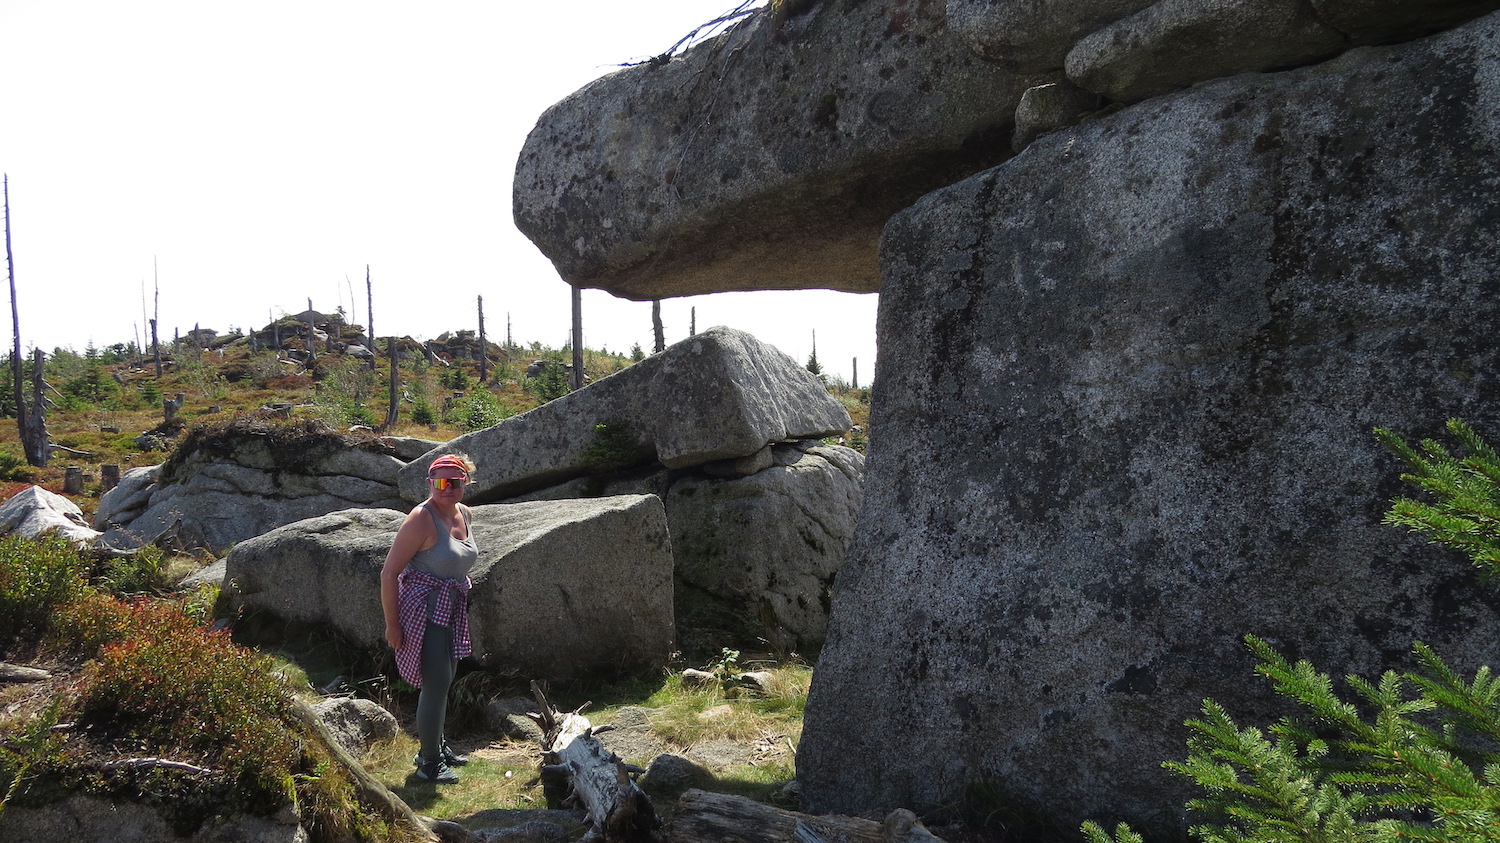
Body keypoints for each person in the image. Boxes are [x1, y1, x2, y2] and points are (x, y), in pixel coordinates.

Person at [381, 453, 479, 784]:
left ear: (466, 482)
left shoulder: (464, 513)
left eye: (455, 481)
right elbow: (389, 572)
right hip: (422, 611)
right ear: (429, 484)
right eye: (440, 481)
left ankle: (435, 746)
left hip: (449, 606)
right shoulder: (420, 519)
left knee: (446, 678)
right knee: (435, 684)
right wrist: (392, 625)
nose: (447, 487)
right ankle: (429, 764)